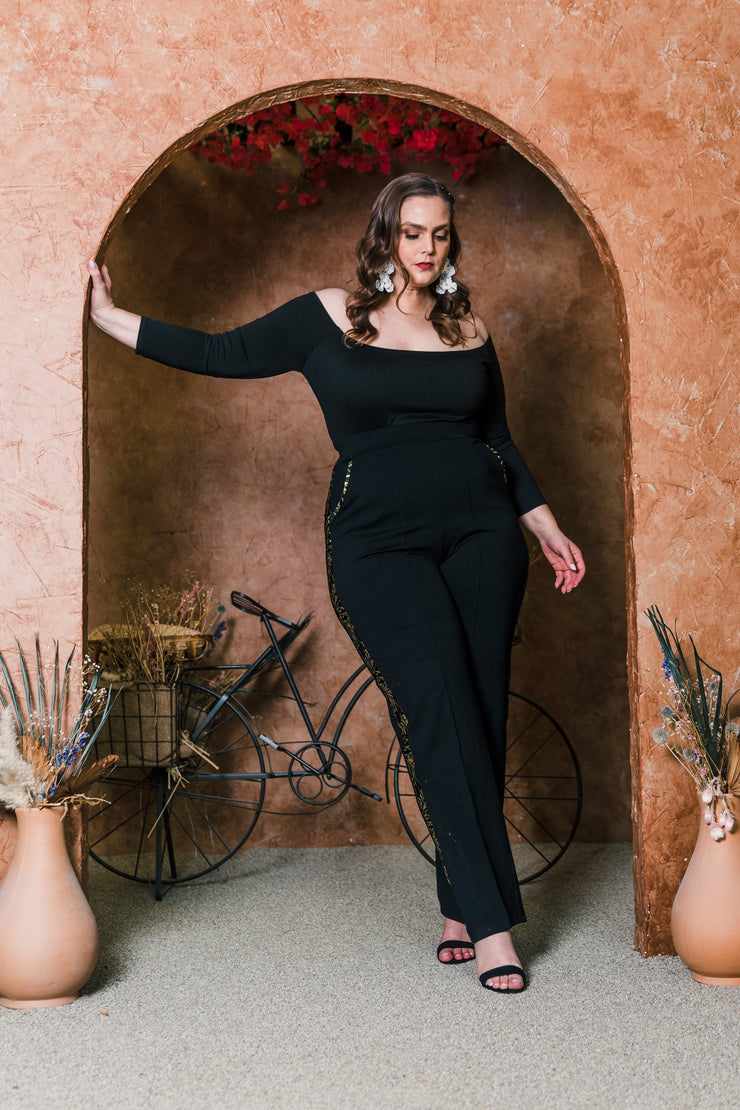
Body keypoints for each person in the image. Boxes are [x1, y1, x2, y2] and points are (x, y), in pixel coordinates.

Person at [88, 172, 584, 994]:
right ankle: (495, 925)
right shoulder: (329, 316)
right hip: (378, 541)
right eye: (413, 232)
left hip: (483, 535)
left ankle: (460, 908)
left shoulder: (468, 329)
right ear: (387, 235)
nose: (427, 248)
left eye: (440, 234)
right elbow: (220, 352)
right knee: (438, 706)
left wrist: (545, 523)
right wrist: (111, 317)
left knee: (480, 711)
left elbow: (499, 438)